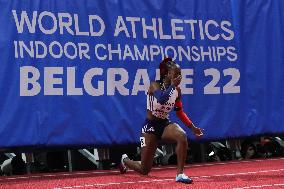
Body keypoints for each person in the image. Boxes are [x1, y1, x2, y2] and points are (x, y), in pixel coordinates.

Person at [119, 58, 204, 184]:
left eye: (180, 74)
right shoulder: (154, 85)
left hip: (164, 125)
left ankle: (180, 174)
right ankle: (124, 160)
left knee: (181, 136)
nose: (179, 77)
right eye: (176, 73)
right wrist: (173, 86)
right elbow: (162, 100)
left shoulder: (177, 91)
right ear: (168, 74)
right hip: (150, 128)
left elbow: (179, 112)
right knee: (144, 169)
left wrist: (192, 127)